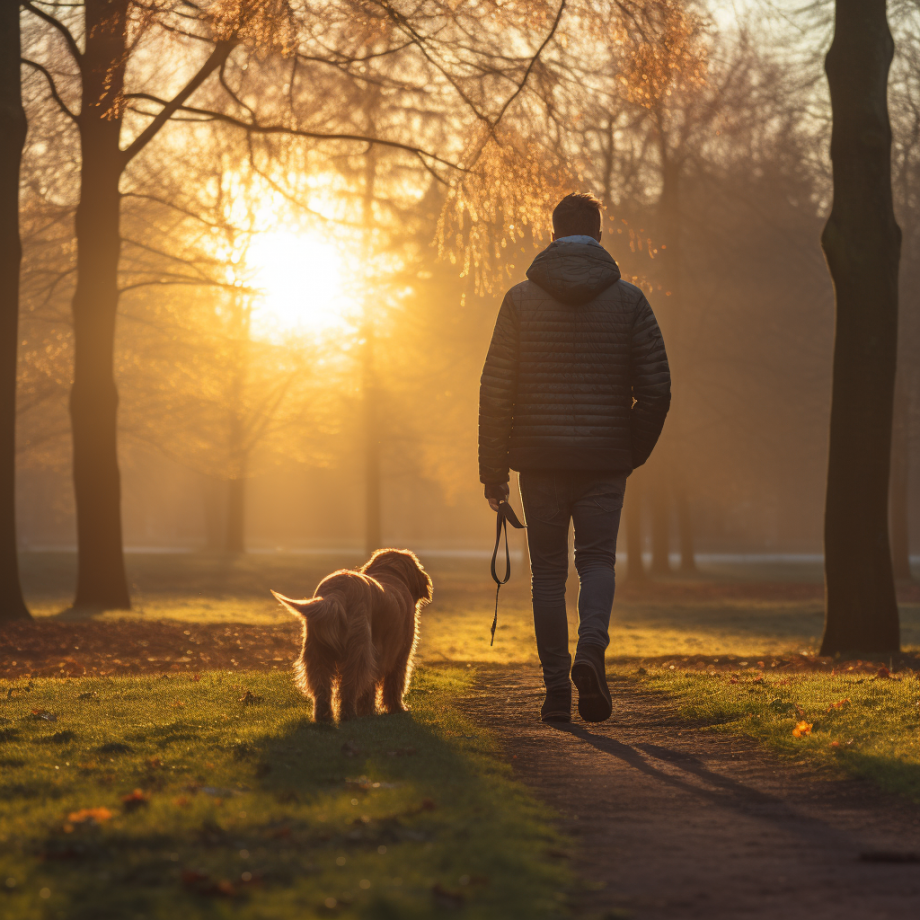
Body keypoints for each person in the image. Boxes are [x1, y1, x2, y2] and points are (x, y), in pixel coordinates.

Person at [478, 192, 670, 723]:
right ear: (600, 236)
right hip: (604, 462)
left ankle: (556, 692)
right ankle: (590, 652)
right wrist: (628, 450)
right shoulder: (630, 301)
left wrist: (493, 474)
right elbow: (656, 390)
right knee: (598, 562)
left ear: (553, 234)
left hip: (538, 462)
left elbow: (495, 390)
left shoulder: (519, 301)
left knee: (547, 576)